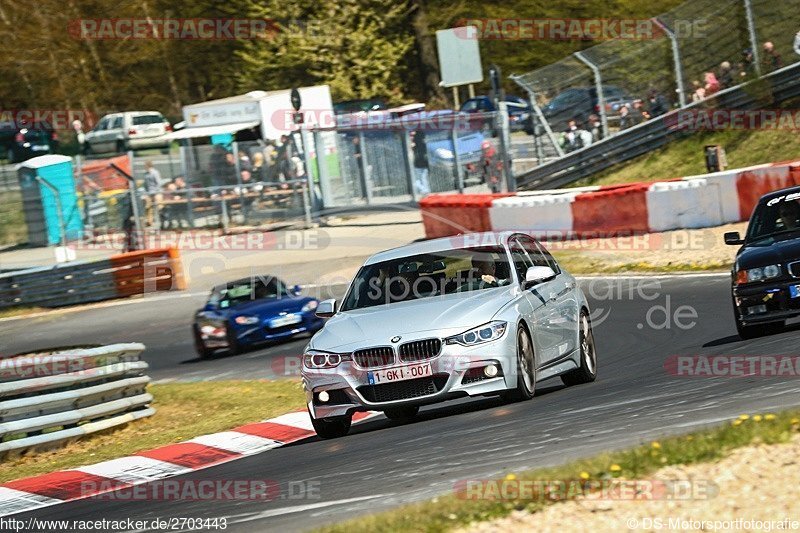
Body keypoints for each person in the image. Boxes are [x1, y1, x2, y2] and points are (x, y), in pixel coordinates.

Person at [143, 160, 163, 227]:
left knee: (159, 206)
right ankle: (149, 222)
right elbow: (145, 185)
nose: (144, 167)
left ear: (148, 166)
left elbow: (159, 183)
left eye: (145, 166)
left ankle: (162, 220)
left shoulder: (155, 173)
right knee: (148, 206)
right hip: (149, 193)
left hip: (156, 192)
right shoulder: (145, 174)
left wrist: (155, 192)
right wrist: (146, 193)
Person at [411, 130, 431, 195]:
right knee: (423, 178)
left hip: (418, 164)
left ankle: (425, 190)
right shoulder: (424, 144)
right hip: (423, 163)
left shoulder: (415, 144)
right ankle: (425, 191)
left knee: (417, 180)